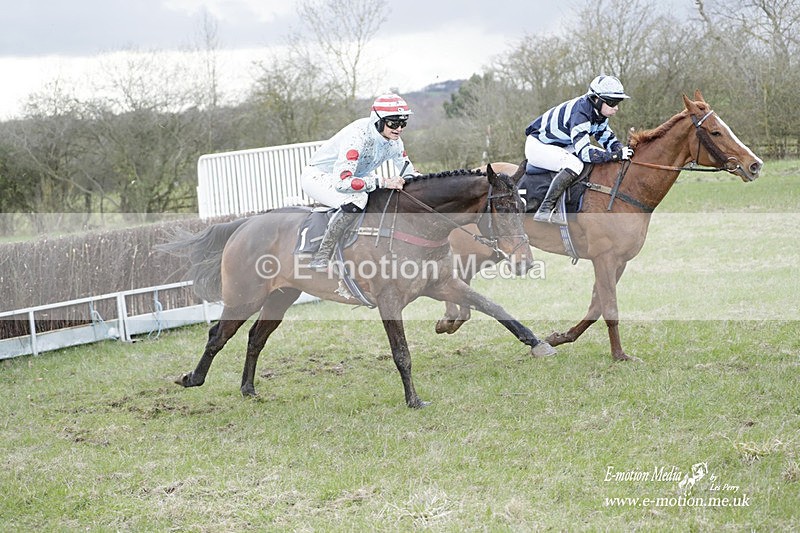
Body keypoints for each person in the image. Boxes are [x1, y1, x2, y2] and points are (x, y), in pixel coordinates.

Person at [301, 93, 418, 270]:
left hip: (351, 178)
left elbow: (410, 173)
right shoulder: (357, 137)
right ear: (378, 120)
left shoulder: (395, 142)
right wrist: (384, 181)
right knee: (358, 198)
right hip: (319, 177)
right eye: (394, 123)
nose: (399, 128)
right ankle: (322, 254)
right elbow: (343, 183)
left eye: (403, 123)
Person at [524, 75, 634, 225]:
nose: (616, 108)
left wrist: (621, 150)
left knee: (598, 154)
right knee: (576, 164)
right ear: (596, 99)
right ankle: (545, 209)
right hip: (538, 145)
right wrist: (616, 155)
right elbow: (585, 153)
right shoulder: (580, 113)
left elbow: (608, 139)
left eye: (618, 102)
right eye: (612, 102)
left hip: (560, 144)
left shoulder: (598, 113)